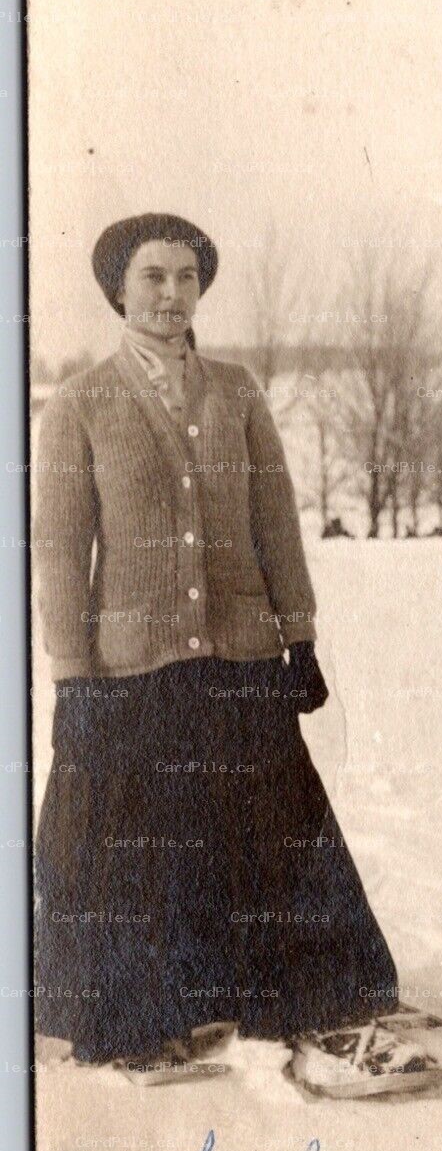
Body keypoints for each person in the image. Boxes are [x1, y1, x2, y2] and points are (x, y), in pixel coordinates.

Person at [32, 213, 418, 1090]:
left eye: (185, 278)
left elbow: (275, 521)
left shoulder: (237, 391)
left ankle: (284, 995)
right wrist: (72, 675)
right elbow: (59, 550)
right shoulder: (80, 405)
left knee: (265, 832)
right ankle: (141, 1014)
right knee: (140, 849)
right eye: (152, 278)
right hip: (135, 669)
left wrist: (301, 634)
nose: (171, 295)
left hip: (242, 660)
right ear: (118, 291)